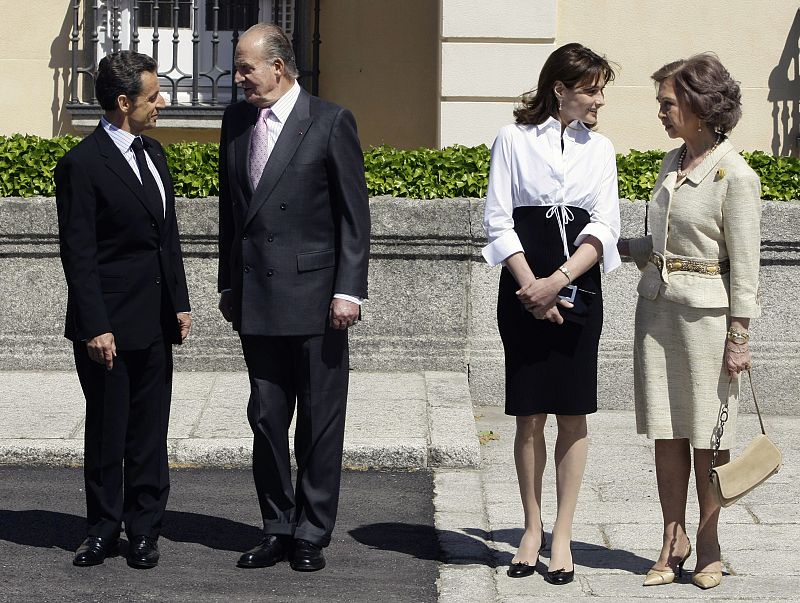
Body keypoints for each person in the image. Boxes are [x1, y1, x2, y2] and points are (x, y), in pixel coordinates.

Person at [217, 23, 370, 572]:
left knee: (320, 423)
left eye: (244, 68)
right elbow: (229, 215)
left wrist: (349, 291)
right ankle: (276, 526)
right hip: (256, 296)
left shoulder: (329, 121)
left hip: (318, 299)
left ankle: (312, 532)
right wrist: (228, 283)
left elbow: (355, 217)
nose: (237, 78)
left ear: (278, 66)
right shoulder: (235, 122)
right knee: (265, 418)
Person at [618, 54, 761, 590]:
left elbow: (745, 266)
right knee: (666, 430)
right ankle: (670, 537)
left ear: (700, 106)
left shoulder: (736, 175)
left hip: (708, 321)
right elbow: (660, 242)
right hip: (657, 313)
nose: (661, 112)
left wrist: (739, 338)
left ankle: (708, 541)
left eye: (667, 103)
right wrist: (614, 244)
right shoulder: (669, 162)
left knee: (709, 436)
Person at [482, 43, 620, 585]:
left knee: (572, 411)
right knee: (529, 412)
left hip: (577, 284)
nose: (599, 99)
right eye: (591, 88)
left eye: (601, 88)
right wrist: (531, 288)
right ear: (559, 89)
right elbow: (497, 220)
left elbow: (604, 227)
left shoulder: (601, 149)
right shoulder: (512, 140)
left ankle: (562, 533)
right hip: (521, 286)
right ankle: (532, 528)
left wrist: (558, 282)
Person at [55, 51, 192, 569]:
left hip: (155, 321)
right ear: (122, 102)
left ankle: (144, 530)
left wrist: (178, 303)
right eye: (153, 96)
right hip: (107, 327)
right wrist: (95, 326)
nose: (161, 104)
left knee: (149, 432)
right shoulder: (82, 165)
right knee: (108, 432)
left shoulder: (154, 154)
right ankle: (103, 528)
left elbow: (167, 238)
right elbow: (79, 253)